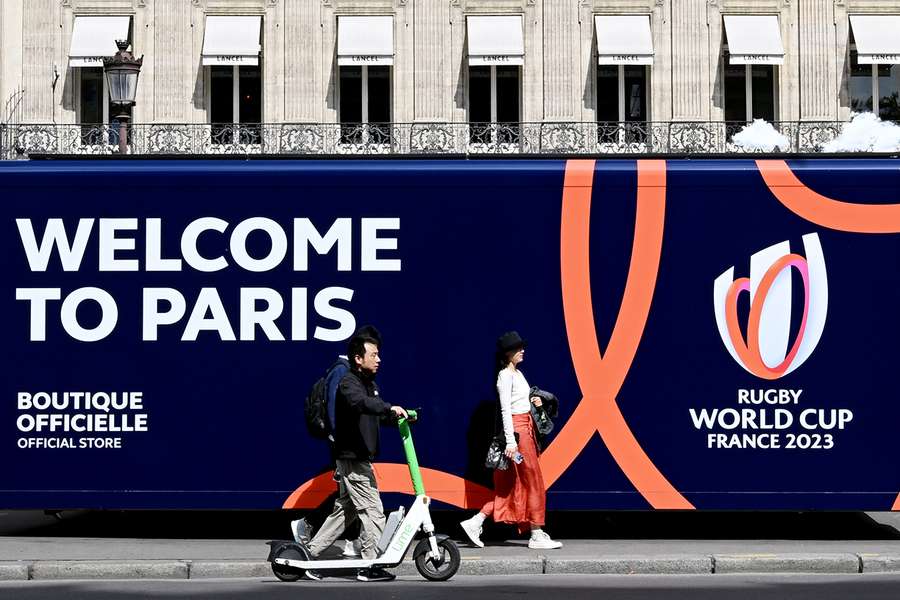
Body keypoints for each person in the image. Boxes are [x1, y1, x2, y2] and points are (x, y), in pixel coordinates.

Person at [302, 326, 411, 582]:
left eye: (378, 354)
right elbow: (360, 404)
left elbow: (373, 412)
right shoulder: (349, 382)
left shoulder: (368, 384)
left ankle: (311, 555)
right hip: (352, 457)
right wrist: (387, 407)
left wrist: (395, 415)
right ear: (358, 358)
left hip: (359, 456)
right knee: (373, 510)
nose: (379, 359)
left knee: (345, 511)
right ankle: (370, 564)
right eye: (373, 355)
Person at [459, 331, 563, 550]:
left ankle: (476, 521)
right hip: (519, 436)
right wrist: (510, 443)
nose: (523, 350)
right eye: (518, 348)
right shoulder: (505, 376)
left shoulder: (517, 374)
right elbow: (505, 410)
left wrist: (534, 401)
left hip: (525, 432)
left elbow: (519, 403)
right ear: (508, 353)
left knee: (517, 485)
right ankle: (536, 533)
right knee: (533, 481)